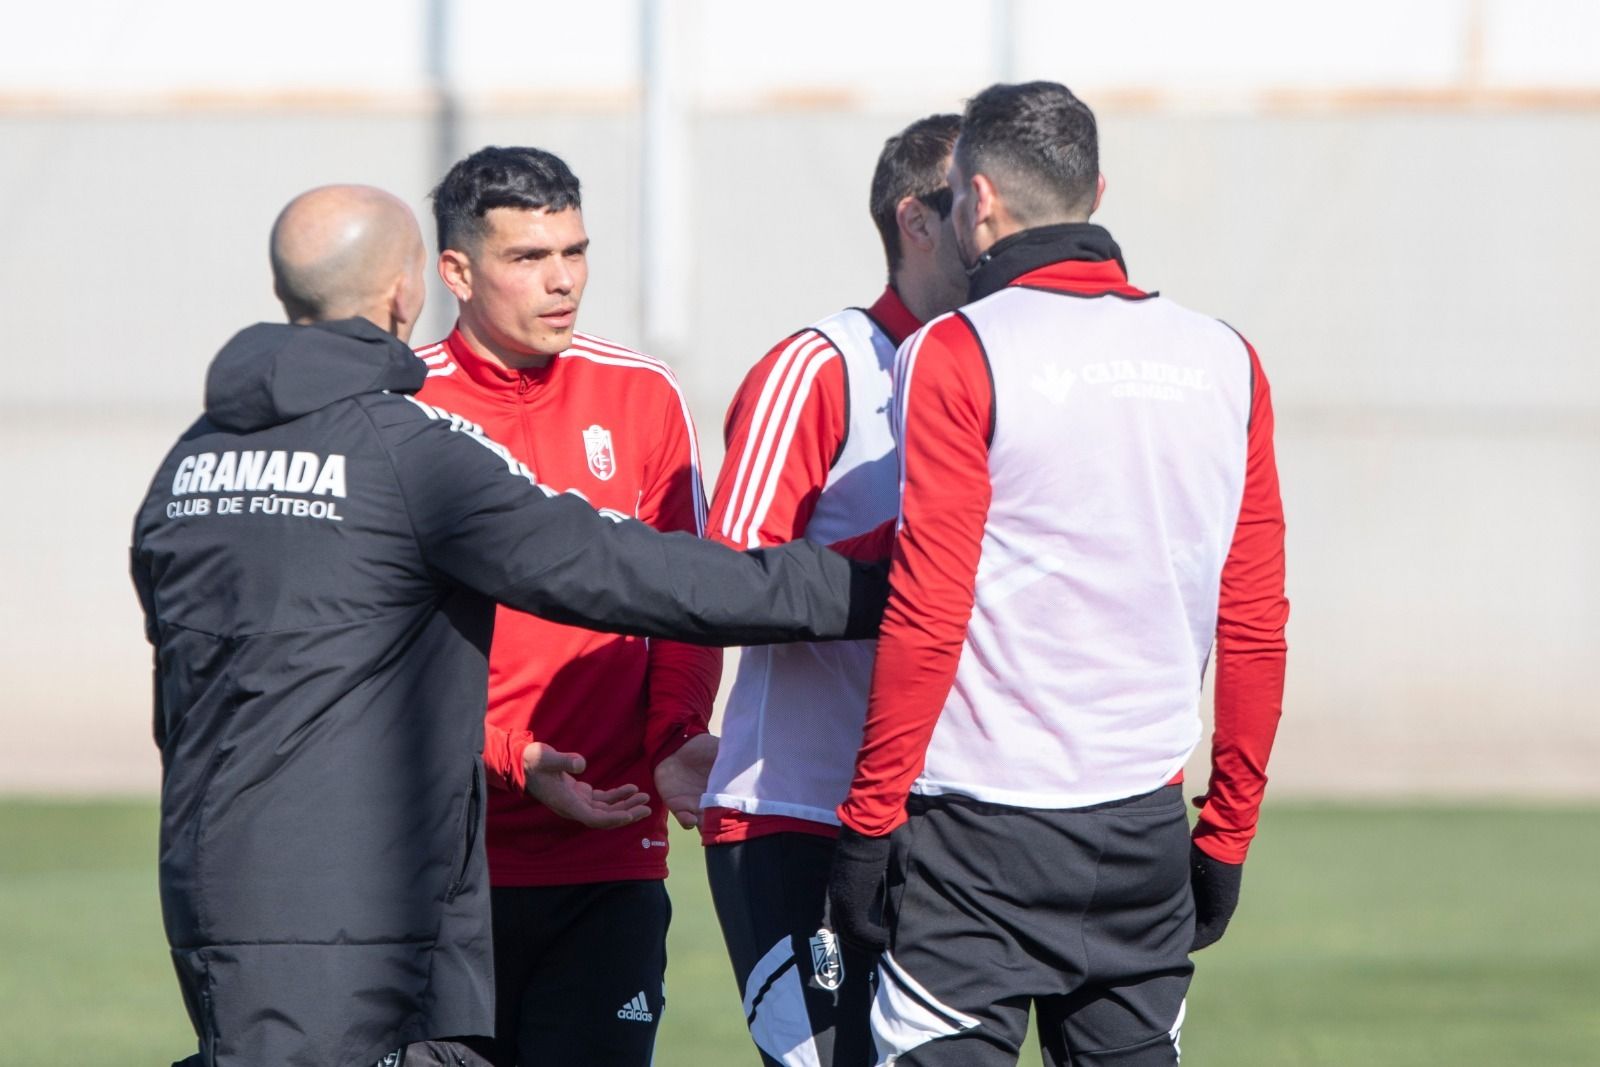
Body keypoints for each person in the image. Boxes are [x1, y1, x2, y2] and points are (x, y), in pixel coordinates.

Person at [130, 184, 887, 1067]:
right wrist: (875, 582)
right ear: (411, 289)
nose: (559, 280)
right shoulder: (406, 449)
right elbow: (619, 567)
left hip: (211, 882)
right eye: (529, 258)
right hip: (352, 907)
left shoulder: (192, 462)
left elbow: (187, 698)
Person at [825, 82, 1289, 1066]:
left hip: (974, 840)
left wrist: (867, 823)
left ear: (977, 201)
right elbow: (1251, 622)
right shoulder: (1224, 359)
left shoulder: (954, 348)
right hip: (1142, 832)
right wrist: (1227, 832)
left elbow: (927, 603)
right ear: (1097, 190)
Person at [411, 145, 722, 1067]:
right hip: (441, 869)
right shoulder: (403, 406)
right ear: (457, 272)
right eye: (527, 259)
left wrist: (673, 738)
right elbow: (374, 660)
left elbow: (684, 599)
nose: (561, 283)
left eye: (574, 253)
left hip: (611, 857)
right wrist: (507, 758)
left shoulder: (642, 393)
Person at [697, 113, 965, 1067]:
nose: (1003, 225)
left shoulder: (1013, 367)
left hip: (958, 817)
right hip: (801, 810)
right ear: (917, 220)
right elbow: (723, 583)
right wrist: (916, 555)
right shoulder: (824, 365)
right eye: (979, 199)